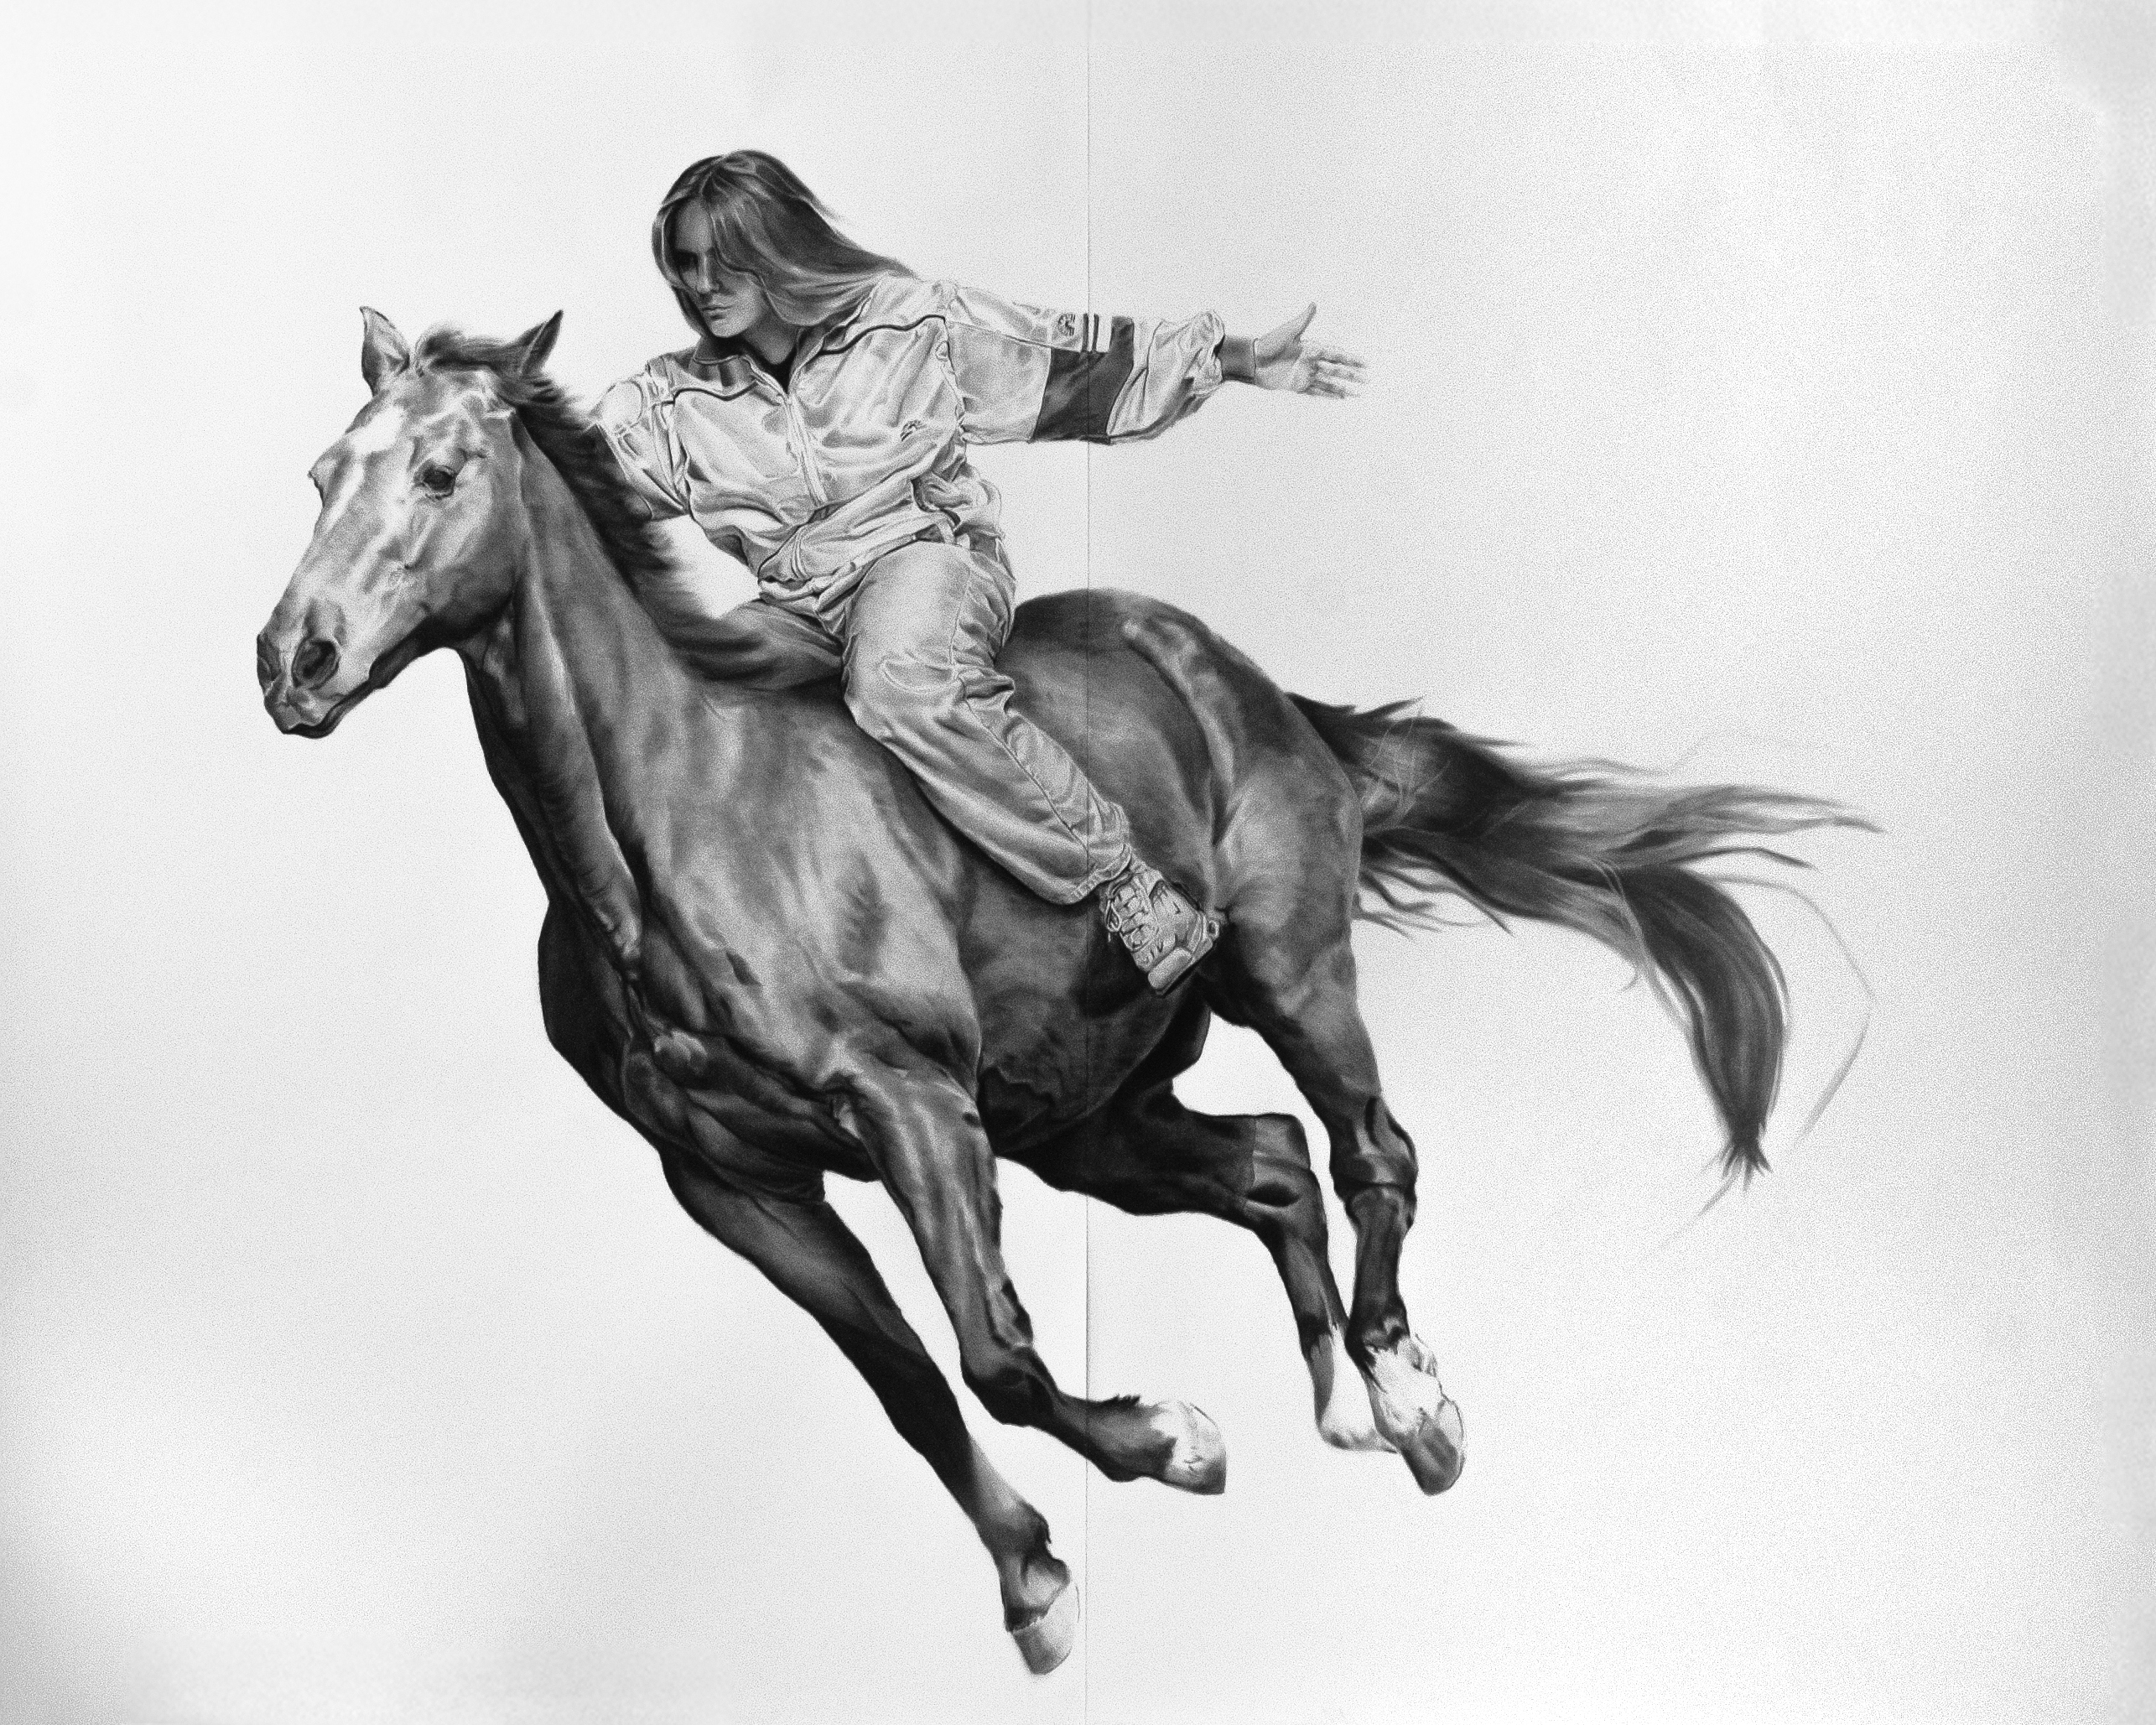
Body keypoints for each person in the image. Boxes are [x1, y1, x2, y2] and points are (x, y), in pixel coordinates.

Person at [597, 151, 1364, 991]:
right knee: (689, 695)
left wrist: (1232, 357)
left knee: (900, 682)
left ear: (778, 249)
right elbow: (568, 470)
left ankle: (1126, 886)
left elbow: (1063, 360)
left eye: (727, 258)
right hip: (797, 605)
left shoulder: (906, 323)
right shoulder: (672, 402)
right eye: (686, 262)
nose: (704, 283)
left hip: (923, 559)